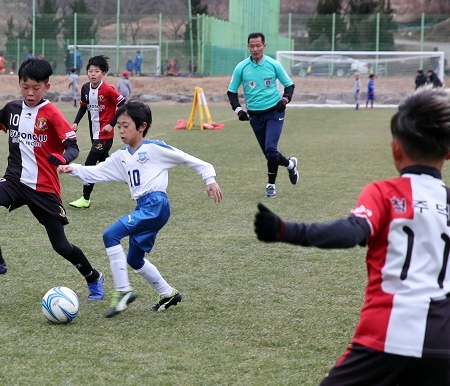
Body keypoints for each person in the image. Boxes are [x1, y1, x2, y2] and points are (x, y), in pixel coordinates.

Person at [253, 86, 450, 385]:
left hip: (387, 335)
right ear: (447, 153)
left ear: (395, 148)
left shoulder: (383, 193)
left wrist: (284, 229)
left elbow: (351, 231)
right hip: (443, 344)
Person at [0, 58, 105, 301]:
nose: (30, 93)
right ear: (19, 84)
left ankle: (93, 277)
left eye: (36, 88)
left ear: (47, 86)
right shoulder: (12, 109)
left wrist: (63, 159)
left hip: (44, 188)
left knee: (61, 246)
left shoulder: (52, 113)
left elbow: (72, 146)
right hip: (14, 180)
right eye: (25, 87)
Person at [58, 101, 223, 317]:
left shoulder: (154, 148)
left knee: (110, 235)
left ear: (142, 126)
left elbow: (190, 160)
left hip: (156, 204)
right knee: (134, 260)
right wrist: (73, 169)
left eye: (126, 125)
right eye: (119, 126)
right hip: (144, 207)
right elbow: (97, 172)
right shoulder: (121, 157)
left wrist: (209, 179)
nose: (121, 131)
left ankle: (123, 290)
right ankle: (168, 293)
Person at [227, 32, 299, 199]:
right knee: (270, 154)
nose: (255, 49)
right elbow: (231, 92)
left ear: (264, 46)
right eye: (252, 46)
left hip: (275, 112)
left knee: (271, 149)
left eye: (258, 45)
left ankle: (270, 185)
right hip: (255, 116)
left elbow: (289, 86)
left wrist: (285, 100)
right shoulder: (241, 67)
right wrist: (238, 110)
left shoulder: (274, 65)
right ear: (248, 47)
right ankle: (290, 164)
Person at [68, 55, 126, 209]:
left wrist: (112, 124)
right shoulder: (85, 88)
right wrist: (75, 122)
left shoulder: (108, 90)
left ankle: (85, 199)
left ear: (104, 73)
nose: (93, 74)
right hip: (94, 134)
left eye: (97, 71)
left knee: (89, 164)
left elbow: (124, 104)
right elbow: (83, 107)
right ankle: (133, 180)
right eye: (90, 71)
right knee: (109, 165)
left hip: (105, 136)